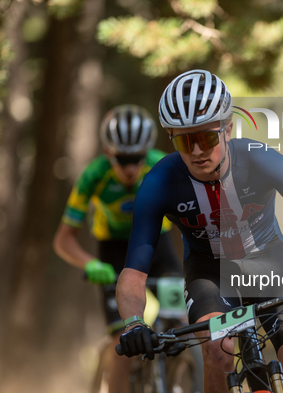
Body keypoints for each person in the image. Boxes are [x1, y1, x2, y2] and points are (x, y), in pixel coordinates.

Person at [115, 70, 283, 393]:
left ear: (227, 129)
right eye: (185, 141)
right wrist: (134, 323)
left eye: (207, 138)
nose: (197, 150)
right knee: (217, 353)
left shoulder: (257, 158)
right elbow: (133, 273)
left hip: (271, 265)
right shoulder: (160, 181)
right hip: (209, 276)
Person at [53, 104, 182, 393]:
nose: (131, 168)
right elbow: (63, 239)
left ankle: (182, 377)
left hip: (157, 248)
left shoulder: (163, 165)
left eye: (137, 158)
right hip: (113, 253)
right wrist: (89, 263)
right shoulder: (94, 175)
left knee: (181, 322)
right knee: (122, 344)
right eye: (122, 159)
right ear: (107, 152)